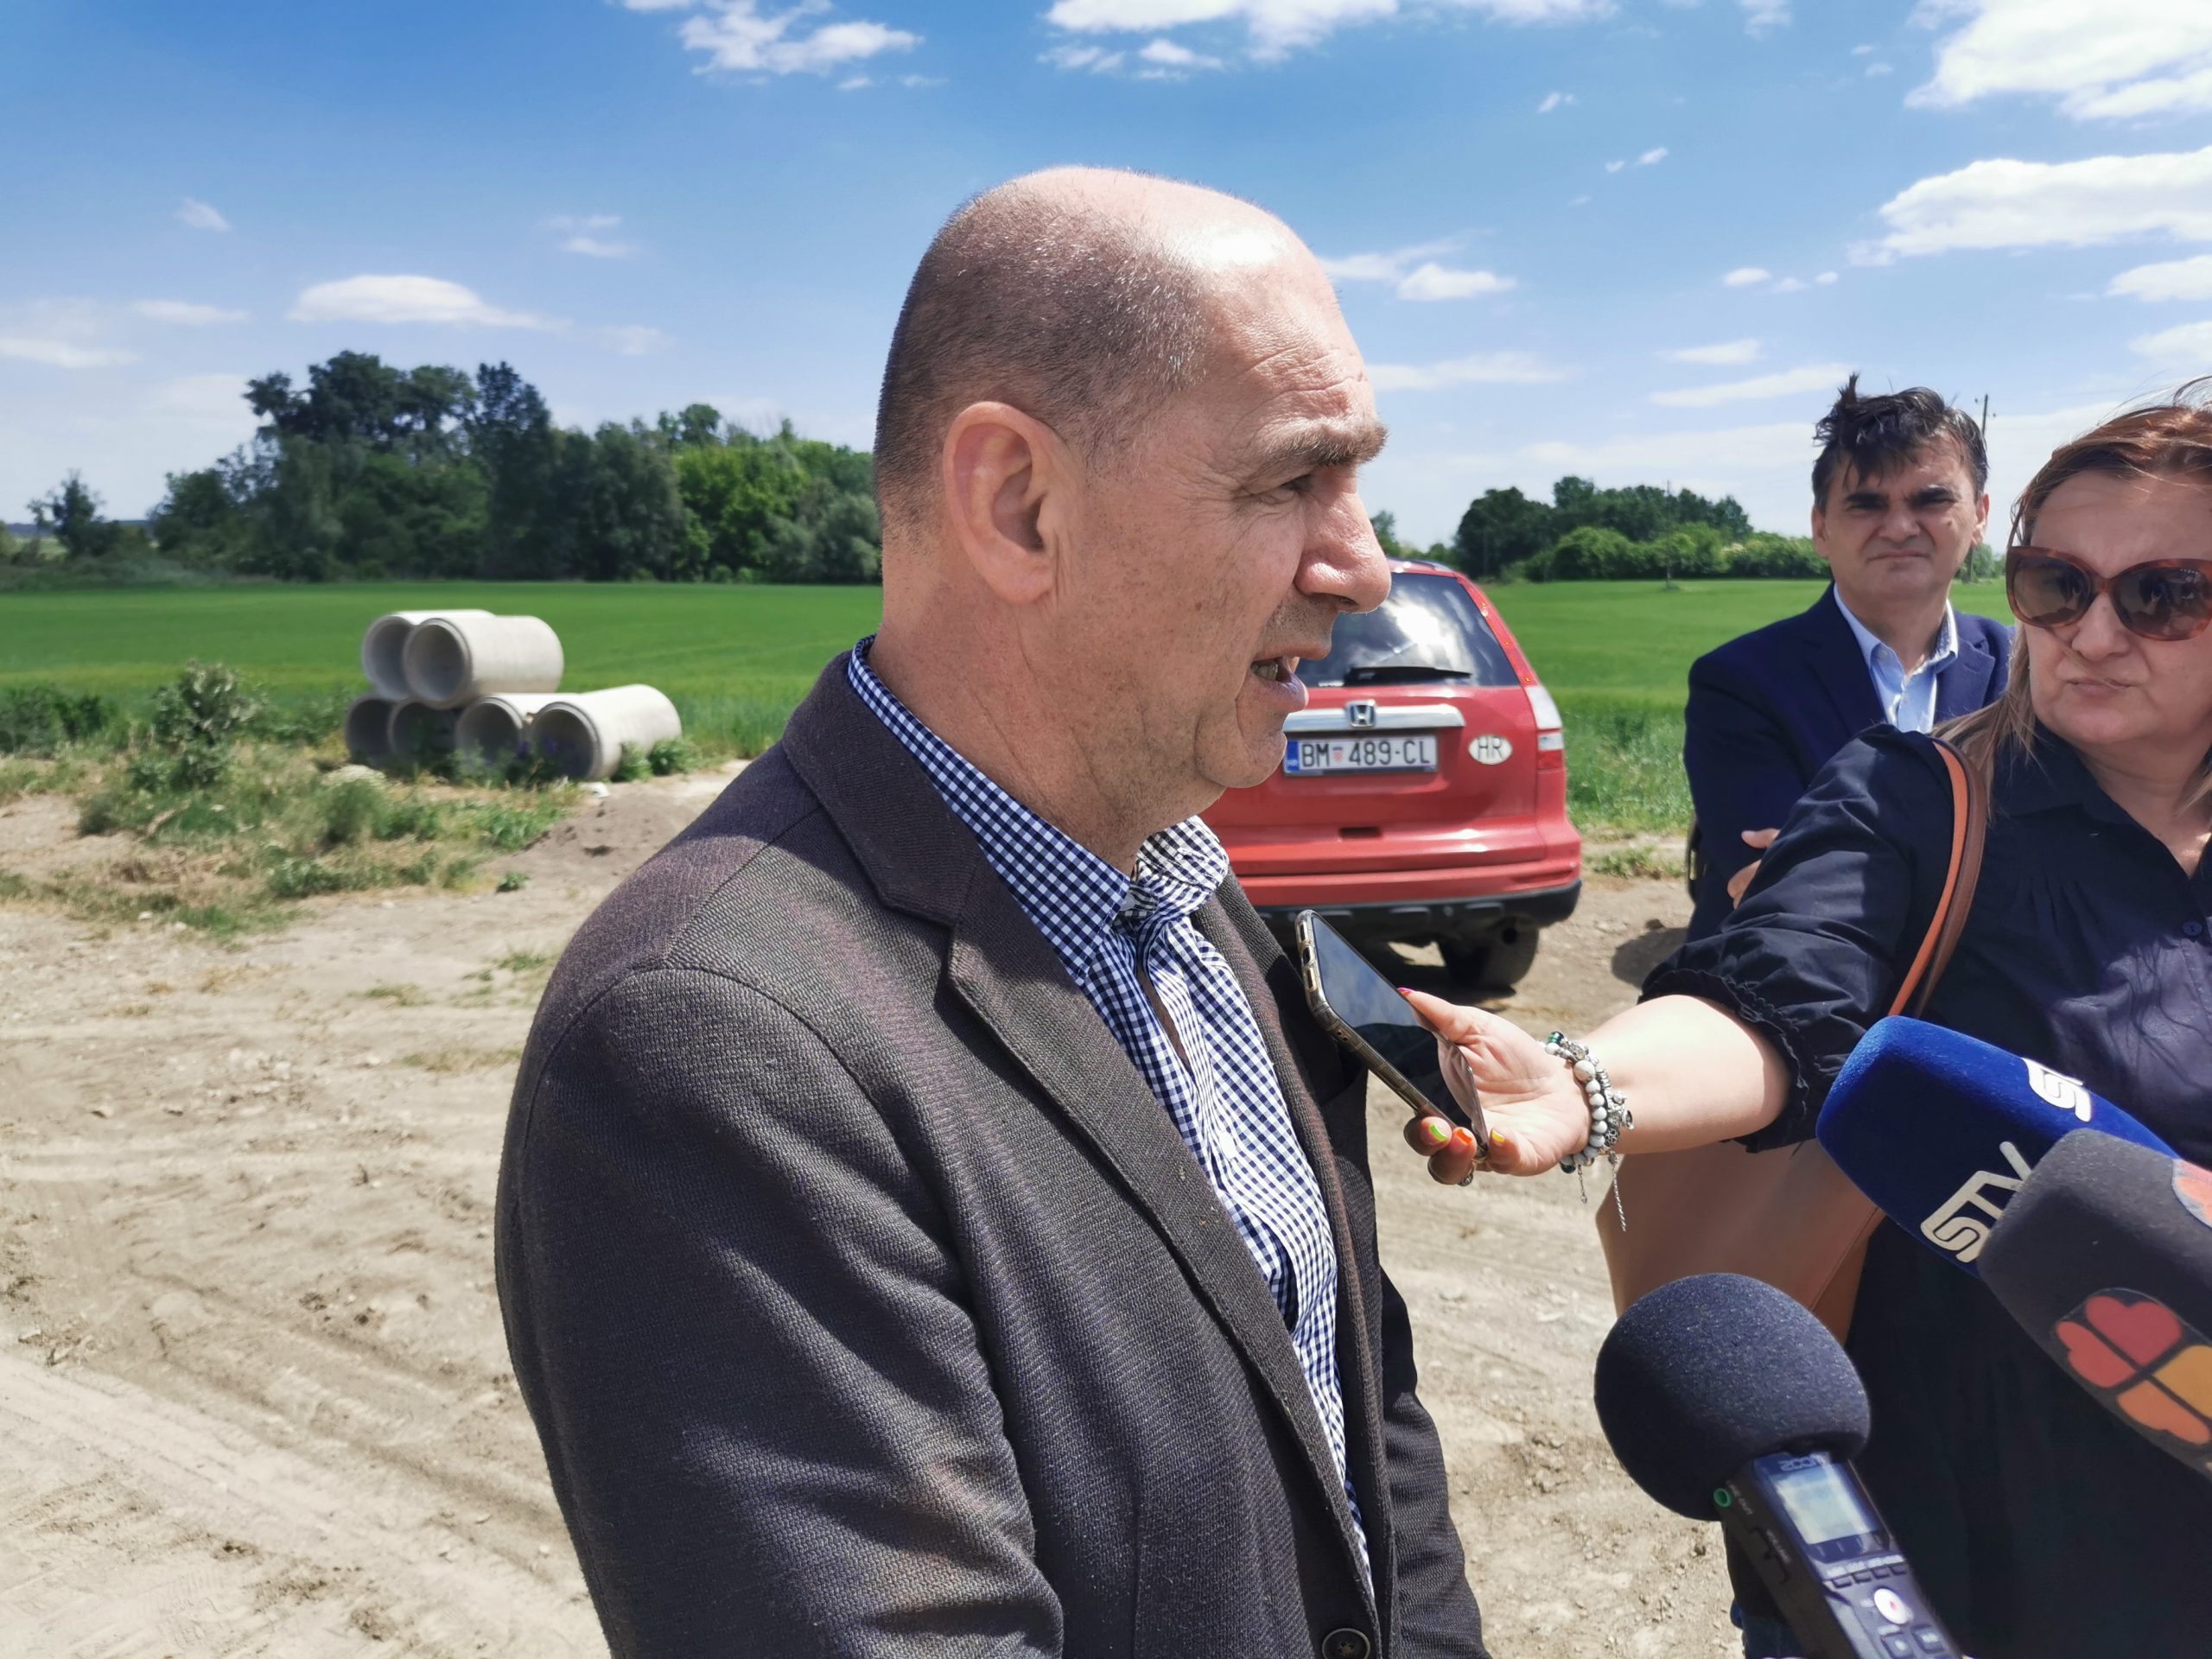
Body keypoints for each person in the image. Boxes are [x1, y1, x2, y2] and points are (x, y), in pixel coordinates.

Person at [495, 168, 1491, 1659]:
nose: (1361, 568)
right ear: (1020, 505)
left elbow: (1358, 1421)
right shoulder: (708, 1048)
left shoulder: (1186, 885)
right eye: (1292, 483)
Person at [1400, 389, 2212, 1659]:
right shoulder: (1917, 801)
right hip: (1965, 1510)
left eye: (2162, 596)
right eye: (2057, 586)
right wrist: (1585, 1082)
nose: (2091, 632)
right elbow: (1773, 994)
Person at [1684, 378, 2011, 939]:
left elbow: (2065, 855)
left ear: (1980, 515)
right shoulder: (1738, 683)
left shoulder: (2022, 667)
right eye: (1866, 504)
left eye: (1931, 499)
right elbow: (1778, 895)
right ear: (1821, 529)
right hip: (1781, 985)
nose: (1900, 527)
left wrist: (1838, 861)